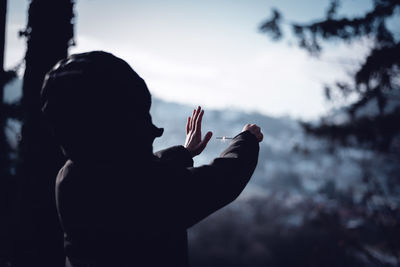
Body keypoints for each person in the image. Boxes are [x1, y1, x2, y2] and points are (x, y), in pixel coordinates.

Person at [40, 51, 263, 267]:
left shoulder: (70, 175)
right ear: (121, 119)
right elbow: (220, 181)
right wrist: (247, 140)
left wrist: (184, 153)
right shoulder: (142, 189)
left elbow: (135, 172)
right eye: (140, 113)